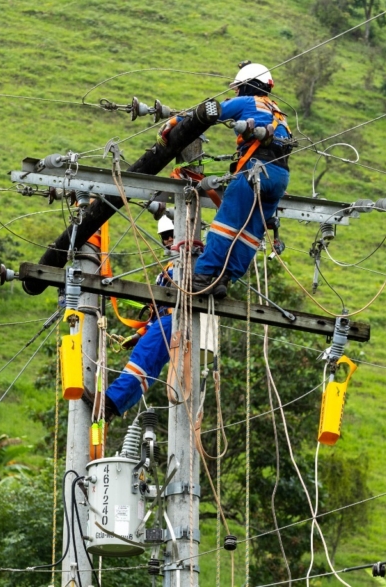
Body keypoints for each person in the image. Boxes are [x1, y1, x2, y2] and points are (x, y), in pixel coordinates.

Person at [160, 62, 293, 298]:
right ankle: (223, 279)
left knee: (227, 225)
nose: (235, 92)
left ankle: (201, 277)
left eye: (238, 88)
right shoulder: (279, 114)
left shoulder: (248, 102)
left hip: (255, 171)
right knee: (251, 232)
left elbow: (208, 113)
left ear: (247, 86)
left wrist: (174, 123)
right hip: (280, 178)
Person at [87, 216, 177, 421]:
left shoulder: (187, 262)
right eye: (165, 237)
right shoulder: (168, 268)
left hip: (173, 320)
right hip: (165, 321)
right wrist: (139, 334)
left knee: (143, 360)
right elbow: (157, 312)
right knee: (147, 370)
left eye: (172, 235)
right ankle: (115, 406)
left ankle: (110, 402)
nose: (169, 240)